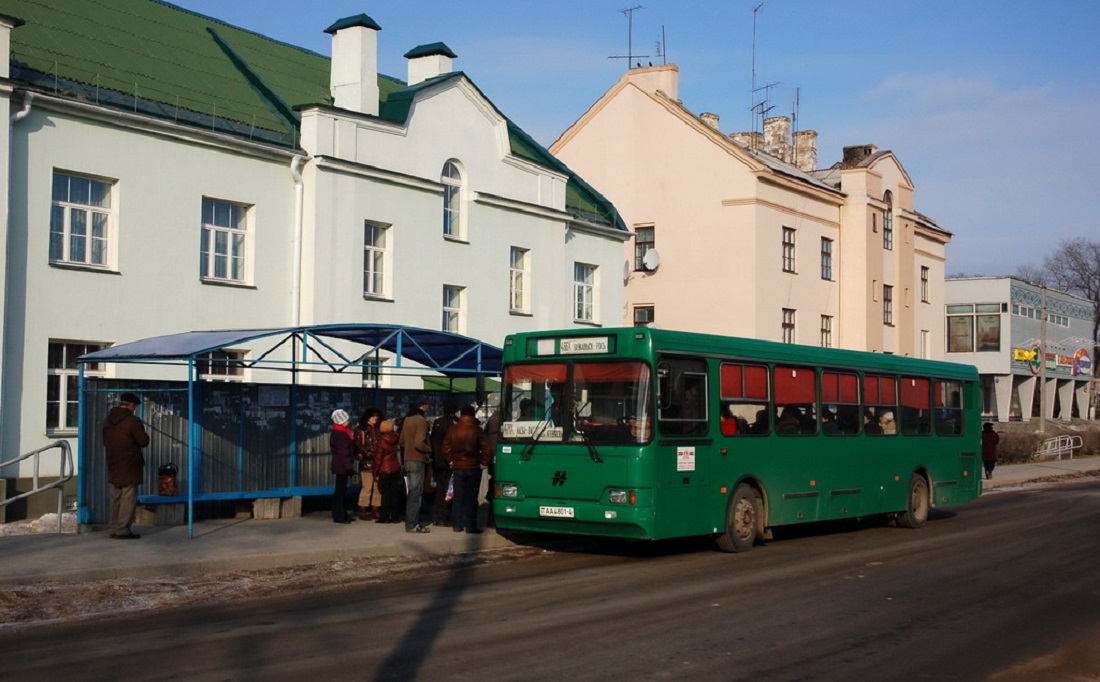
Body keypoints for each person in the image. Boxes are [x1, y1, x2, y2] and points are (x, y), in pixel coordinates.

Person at [103, 392, 150, 539]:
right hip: (130, 464)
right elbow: (143, 441)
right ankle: (123, 529)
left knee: (116, 497)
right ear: (131, 405)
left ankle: (113, 527)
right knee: (128, 498)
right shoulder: (132, 421)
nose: (135, 408)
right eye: (135, 406)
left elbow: (105, 441)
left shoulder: (108, 420)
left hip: (113, 462)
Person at [443, 404, 492, 534]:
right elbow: (487, 449)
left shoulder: (453, 429)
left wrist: (451, 461)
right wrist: (483, 462)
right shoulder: (476, 429)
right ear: (472, 415)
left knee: (458, 496)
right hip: (473, 466)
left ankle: (456, 524)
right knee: (471, 498)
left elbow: (446, 448)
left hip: (458, 466)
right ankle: (470, 526)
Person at [398, 396, 432, 533]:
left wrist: (409, 448)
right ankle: (413, 523)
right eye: (427, 405)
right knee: (416, 493)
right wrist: (429, 449)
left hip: (407, 459)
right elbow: (419, 443)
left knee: (411, 491)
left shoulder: (407, 419)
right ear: (422, 406)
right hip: (418, 459)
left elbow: (401, 441)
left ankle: (410, 522)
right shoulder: (421, 421)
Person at [430, 400, 459, 527]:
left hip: (438, 461)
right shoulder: (454, 424)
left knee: (440, 490)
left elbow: (433, 442)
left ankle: (437, 516)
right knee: (449, 490)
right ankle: (444, 516)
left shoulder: (438, 422)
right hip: (449, 462)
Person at [354, 407, 383, 521]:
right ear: (367, 417)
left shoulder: (378, 429)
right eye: (373, 416)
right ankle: (363, 510)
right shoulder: (361, 429)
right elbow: (358, 445)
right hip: (367, 462)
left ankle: (376, 509)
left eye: (377, 416)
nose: (375, 418)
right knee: (367, 487)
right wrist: (369, 454)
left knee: (378, 488)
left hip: (377, 462)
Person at [329, 409, 357, 524]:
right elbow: (343, 452)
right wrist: (349, 466)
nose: (349, 422)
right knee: (340, 492)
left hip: (340, 465)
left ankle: (341, 513)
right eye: (346, 420)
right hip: (342, 466)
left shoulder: (340, 432)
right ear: (341, 421)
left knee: (341, 491)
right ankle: (339, 515)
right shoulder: (341, 434)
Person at [373, 419, 403, 523]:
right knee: (394, 493)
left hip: (384, 469)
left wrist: (375, 473)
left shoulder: (381, 441)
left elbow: (378, 459)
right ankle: (395, 517)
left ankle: (385, 517)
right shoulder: (396, 438)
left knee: (385, 494)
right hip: (395, 467)